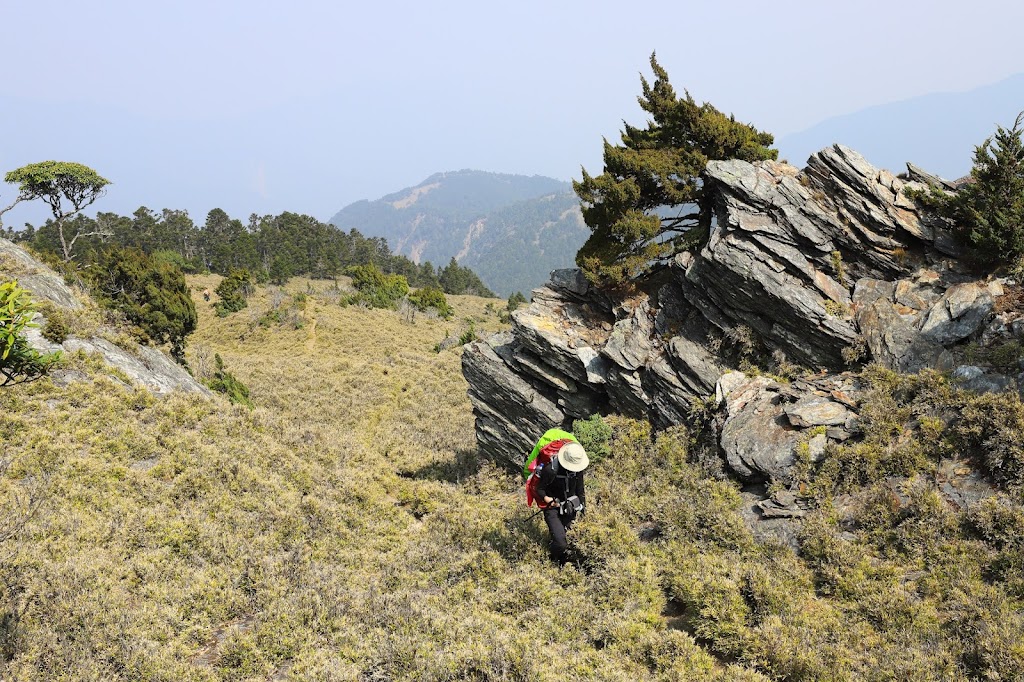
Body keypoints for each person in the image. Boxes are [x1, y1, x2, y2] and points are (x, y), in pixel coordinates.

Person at [533, 440, 589, 565]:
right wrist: (549, 500)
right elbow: (539, 489)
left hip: (569, 506)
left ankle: (563, 561)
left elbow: (580, 490)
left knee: (570, 537)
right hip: (551, 507)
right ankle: (552, 560)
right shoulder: (550, 470)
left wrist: (583, 510)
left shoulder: (577, 470)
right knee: (561, 543)